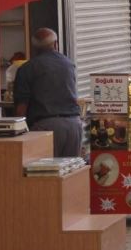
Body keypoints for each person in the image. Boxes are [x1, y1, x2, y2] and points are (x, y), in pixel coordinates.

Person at [14, 28, 83, 158]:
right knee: (70, 174)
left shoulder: (27, 69)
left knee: (47, 174)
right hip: (73, 124)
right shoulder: (68, 64)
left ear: (34, 48)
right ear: (56, 44)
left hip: (46, 127)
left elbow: (21, 109)